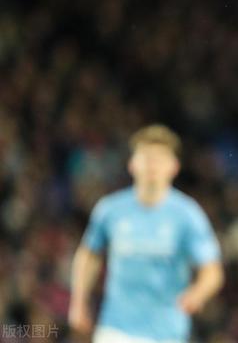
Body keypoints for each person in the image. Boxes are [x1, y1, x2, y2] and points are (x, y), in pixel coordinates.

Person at [68, 124, 224, 343]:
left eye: (160, 158)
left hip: (167, 332)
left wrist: (197, 293)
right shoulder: (110, 210)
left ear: (174, 166)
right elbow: (89, 254)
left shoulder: (188, 215)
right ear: (132, 164)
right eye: (146, 157)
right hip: (116, 329)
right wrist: (78, 301)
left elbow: (212, 270)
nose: (153, 165)